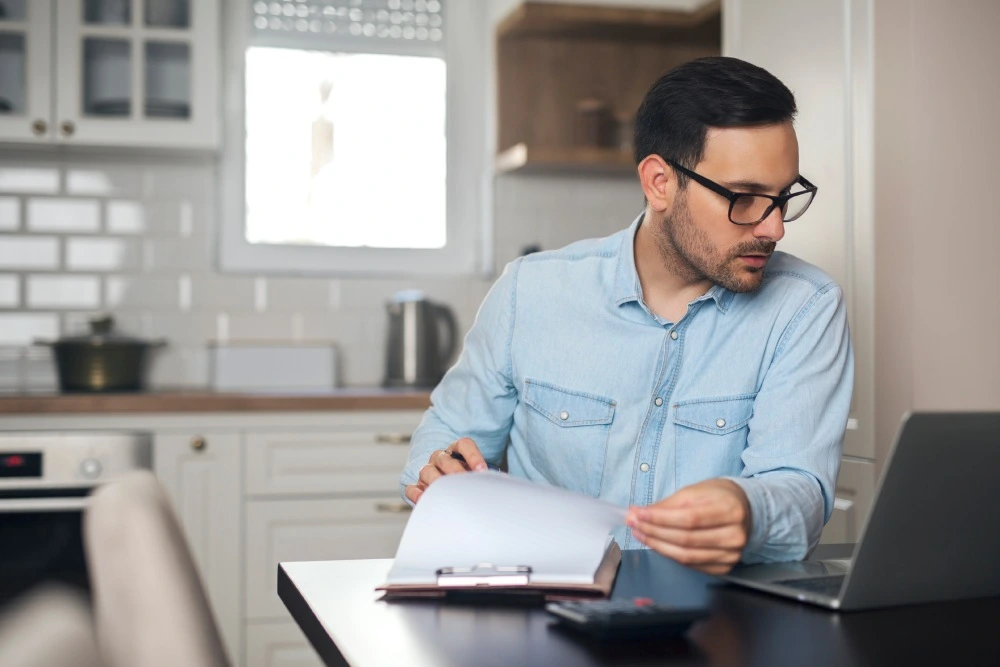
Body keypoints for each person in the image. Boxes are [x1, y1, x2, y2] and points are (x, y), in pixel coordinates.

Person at [398, 56, 854, 574]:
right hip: (544, 616)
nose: (774, 229)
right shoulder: (530, 291)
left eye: (784, 196)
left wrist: (749, 511)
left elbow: (800, 492)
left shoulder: (806, 308)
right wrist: (437, 468)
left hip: (718, 628)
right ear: (659, 181)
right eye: (746, 198)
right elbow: (447, 436)